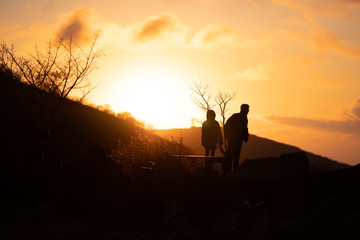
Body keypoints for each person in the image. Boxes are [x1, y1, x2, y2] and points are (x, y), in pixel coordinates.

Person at [224, 104, 249, 172]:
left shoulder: (237, 117)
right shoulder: (241, 117)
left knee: (233, 156)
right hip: (234, 140)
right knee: (234, 157)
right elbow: (244, 129)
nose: (248, 111)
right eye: (247, 109)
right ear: (244, 110)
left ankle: (231, 171)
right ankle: (232, 172)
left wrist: (227, 136)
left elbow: (226, 125)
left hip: (234, 140)